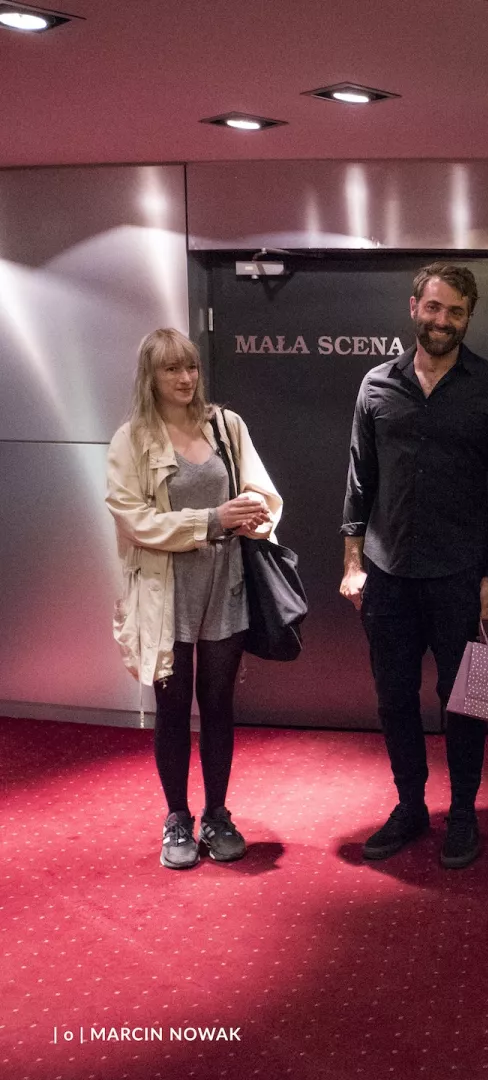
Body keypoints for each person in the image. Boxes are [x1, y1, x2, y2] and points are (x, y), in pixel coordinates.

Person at [341, 263, 488, 870]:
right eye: (434, 307)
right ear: (414, 307)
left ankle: (464, 812)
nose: (443, 320)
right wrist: (352, 560)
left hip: (463, 577)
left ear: (469, 318)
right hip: (387, 573)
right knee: (394, 698)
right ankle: (410, 807)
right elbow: (360, 478)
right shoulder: (376, 385)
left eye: (456, 312)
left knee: (469, 700)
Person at [106, 328, 282, 869]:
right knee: (173, 707)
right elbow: (134, 520)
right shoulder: (132, 440)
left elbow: (263, 493)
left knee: (219, 705)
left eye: (191, 367)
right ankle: (177, 818)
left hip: (225, 584)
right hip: (167, 593)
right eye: (171, 369)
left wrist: (253, 515)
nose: (185, 379)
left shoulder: (225, 425)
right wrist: (210, 520)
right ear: (150, 376)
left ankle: (217, 814)